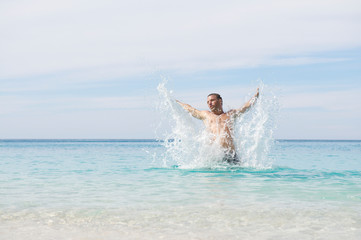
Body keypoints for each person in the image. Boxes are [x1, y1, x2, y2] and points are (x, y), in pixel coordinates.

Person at [176, 88, 259, 163]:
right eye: (208, 102)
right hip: (214, 156)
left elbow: (245, 107)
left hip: (230, 155)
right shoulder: (206, 115)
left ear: (220, 101)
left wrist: (255, 96)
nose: (209, 103)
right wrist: (177, 103)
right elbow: (191, 109)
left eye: (212, 100)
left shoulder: (230, 114)